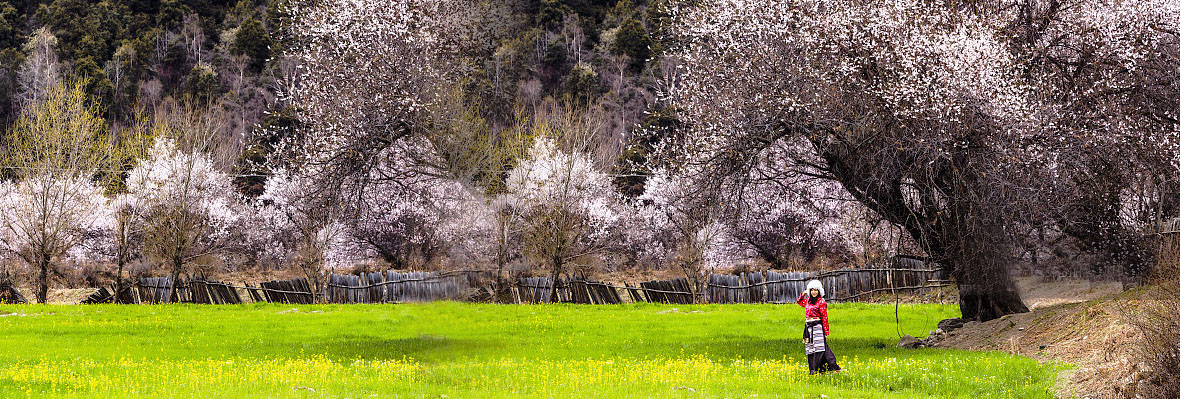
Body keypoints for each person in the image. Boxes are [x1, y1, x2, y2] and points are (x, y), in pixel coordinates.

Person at [797, 279, 841, 374]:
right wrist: (804, 293)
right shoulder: (808, 301)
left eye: (816, 290)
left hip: (817, 327)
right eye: (812, 290)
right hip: (808, 329)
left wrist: (826, 332)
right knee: (811, 349)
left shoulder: (821, 302)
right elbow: (799, 301)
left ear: (819, 291)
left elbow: (824, 317)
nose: (814, 292)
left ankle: (829, 368)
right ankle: (813, 370)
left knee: (820, 349)